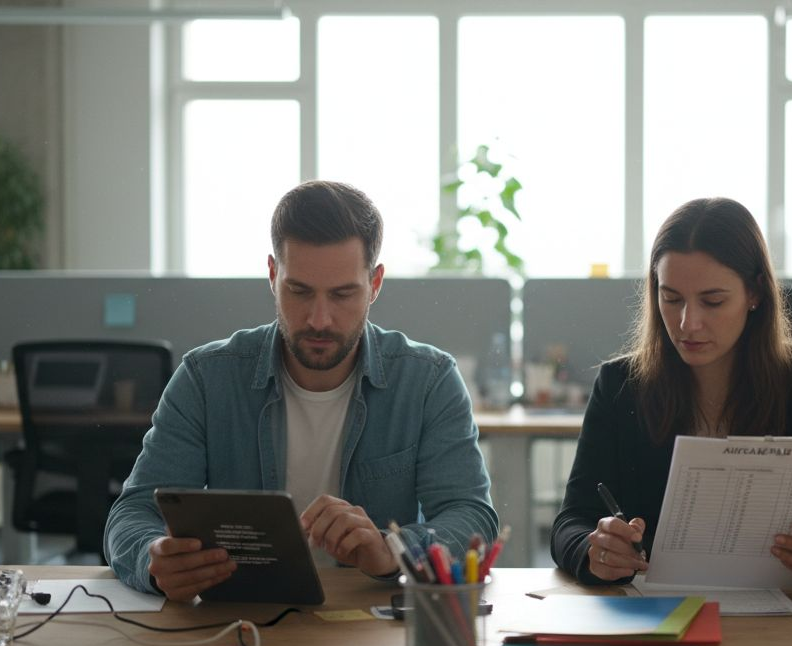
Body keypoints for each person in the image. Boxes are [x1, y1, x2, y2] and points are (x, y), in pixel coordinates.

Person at [104, 180, 498, 599]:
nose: (319, 319)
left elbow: (471, 517)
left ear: (375, 284)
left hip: (369, 625)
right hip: (239, 618)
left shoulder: (427, 381)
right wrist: (152, 558)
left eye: (343, 294)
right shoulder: (206, 379)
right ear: (273, 276)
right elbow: (132, 513)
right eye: (299, 291)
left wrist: (389, 550)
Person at [550, 197, 792, 591]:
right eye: (671, 298)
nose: (687, 323)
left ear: (755, 293)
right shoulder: (621, 385)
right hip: (657, 617)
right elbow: (571, 522)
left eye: (713, 301)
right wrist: (593, 550)